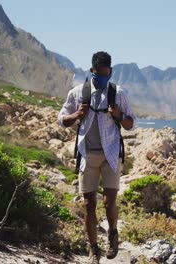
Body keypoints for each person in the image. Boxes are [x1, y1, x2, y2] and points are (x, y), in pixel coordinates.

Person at [58, 51, 135, 263]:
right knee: (89, 204)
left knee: (110, 202)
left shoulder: (118, 93)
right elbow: (62, 119)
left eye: (106, 73)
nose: (102, 76)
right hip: (87, 155)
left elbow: (130, 124)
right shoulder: (77, 93)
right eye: (99, 73)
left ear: (110, 71)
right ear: (92, 70)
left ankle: (112, 233)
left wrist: (119, 115)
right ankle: (94, 250)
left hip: (111, 154)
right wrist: (76, 115)